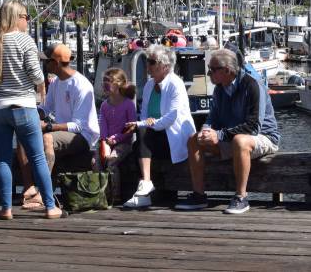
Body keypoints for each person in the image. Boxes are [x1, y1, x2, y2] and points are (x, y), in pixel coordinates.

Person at [0, 0, 62, 219]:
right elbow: (36, 75)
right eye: (25, 16)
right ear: (16, 18)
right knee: (37, 157)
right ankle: (50, 207)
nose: (28, 20)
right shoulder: (25, 41)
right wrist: (39, 83)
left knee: (3, 158)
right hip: (23, 106)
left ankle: (6, 208)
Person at [176, 48, 280, 215]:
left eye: (212, 69)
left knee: (240, 140)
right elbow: (213, 118)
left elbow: (254, 126)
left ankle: (241, 197)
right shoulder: (219, 89)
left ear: (227, 70)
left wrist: (218, 135)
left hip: (263, 137)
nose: (209, 73)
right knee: (193, 140)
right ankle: (199, 195)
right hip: (232, 138)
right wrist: (206, 130)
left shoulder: (252, 85)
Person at [18, 43, 99, 211]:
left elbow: (78, 126)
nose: (43, 64)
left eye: (46, 61)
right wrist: (29, 115)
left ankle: (44, 192)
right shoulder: (56, 83)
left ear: (55, 63)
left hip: (83, 137)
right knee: (23, 132)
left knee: (46, 137)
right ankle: (29, 188)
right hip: (62, 133)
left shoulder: (82, 86)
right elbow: (46, 108)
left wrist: (47, 127)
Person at [121, 45, 196, 208]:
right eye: (148, 61)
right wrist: (140, 123)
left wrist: (141, 124)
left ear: (165, 66)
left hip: (172, 138)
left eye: (152, 62)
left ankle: (146, 185)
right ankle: (146, 190)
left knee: (141, 134)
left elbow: (169, 119)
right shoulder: (149, 85)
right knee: (136, 145)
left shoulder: (176, 84)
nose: (147, 65)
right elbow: (145, 115)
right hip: (155, 135)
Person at [97, 67, 137, 203]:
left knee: (112, 162)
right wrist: (104, 140)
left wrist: (117, 138)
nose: (105, 85)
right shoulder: (104, 105)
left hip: (124, 142)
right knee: (95, 162)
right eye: (104, 82)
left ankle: (115, 196)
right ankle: (101, 194)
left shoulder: (128, 104)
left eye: (108, 81)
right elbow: (102, 124)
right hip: (107, 141)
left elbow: (131, 127)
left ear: (118, 84)